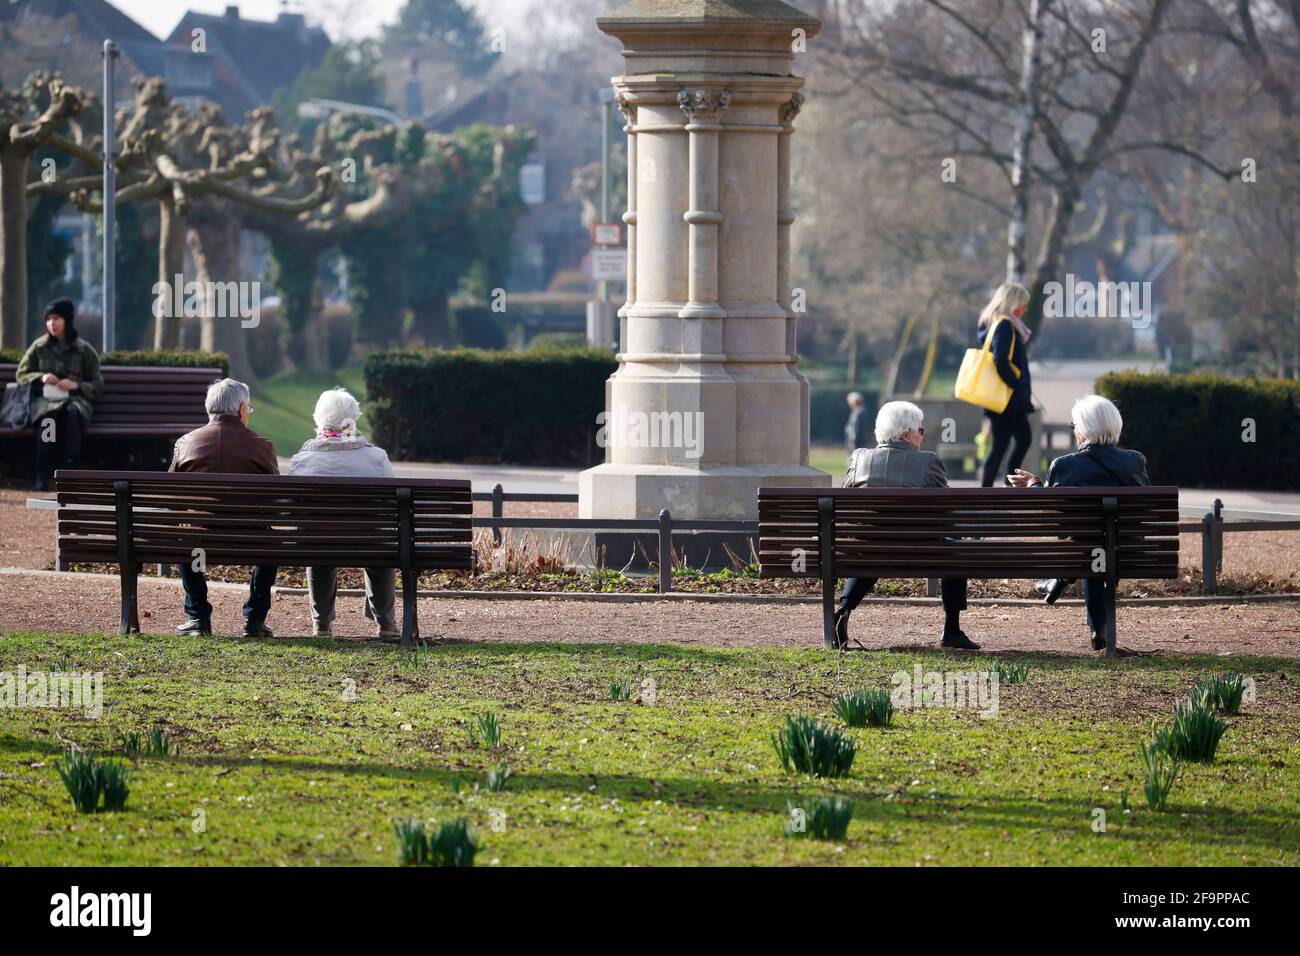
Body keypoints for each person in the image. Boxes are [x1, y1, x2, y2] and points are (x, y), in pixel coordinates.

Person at [833, 400, 979, 650]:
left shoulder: (859, 459)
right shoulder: (929, 462)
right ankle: (951, 629)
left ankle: (844, 609)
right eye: (920, 431)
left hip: (868, 552)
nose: (922, 436)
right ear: (905, 435)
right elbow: (948, 511)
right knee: (955, 547)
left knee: (871, 544)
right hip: (921, 553)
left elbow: (849, 505)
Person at [1007, 394, 1149, 651]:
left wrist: (1034, 484)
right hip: (1129, 551)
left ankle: (1064, 583)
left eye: (1073, 427)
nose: (1073, 432)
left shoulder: (1064, 466)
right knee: (1101, 543)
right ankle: (1096, 625)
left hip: (1082, 552)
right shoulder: (1135, 461)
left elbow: (1049, 510)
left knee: (1091, 544)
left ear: (1082, 430)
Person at [170, 378, 280, 638]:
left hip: (198, 541)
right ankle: (254, 619)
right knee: (272, 542)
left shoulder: (185, 443)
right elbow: (275, 501)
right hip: (251, 538)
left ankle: (198, 616)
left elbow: (172, 499)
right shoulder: (262, 445)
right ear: (242, 409)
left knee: (182, 536)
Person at [288, 388, 400, 639]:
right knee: (379, 544)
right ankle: (386, 623)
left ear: (319, 420)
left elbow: (293, 509)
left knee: (318, 545)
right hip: (369, 543)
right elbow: (392, 503)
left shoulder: (301, 461)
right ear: (352, 421)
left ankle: (322, 624)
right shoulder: (376, 458)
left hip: (318, 545)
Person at [15, 298, 103, 491]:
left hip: (75, 400)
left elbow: (97, 384)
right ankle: (42, 472)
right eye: (48, 319)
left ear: (67, 320)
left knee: (72, 413)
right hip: (46, 401)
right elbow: (21, 375)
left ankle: (70, 474)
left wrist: (76, 385)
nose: (51, 323)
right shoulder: (39, 347)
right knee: (50, 416)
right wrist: (41, 377)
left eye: (56, 318)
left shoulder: (84, 350)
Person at [976, 282, 1035, 487]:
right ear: (1013, 303)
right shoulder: (1004, 325)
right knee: (1004, 444)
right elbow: (1001, 361)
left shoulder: (995, 324)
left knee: (1016, 441)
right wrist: (1017, 383)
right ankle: (993, 492)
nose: (1025, 310)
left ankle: (1004, 488)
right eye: (1023, 305)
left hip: (1006, 399)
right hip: (1007, 399)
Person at [844, 391, 870, 456]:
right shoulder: (861, 411)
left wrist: (853, 442)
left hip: (856, 443)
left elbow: (855, 429)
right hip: (858, 442)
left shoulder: (858, 413)